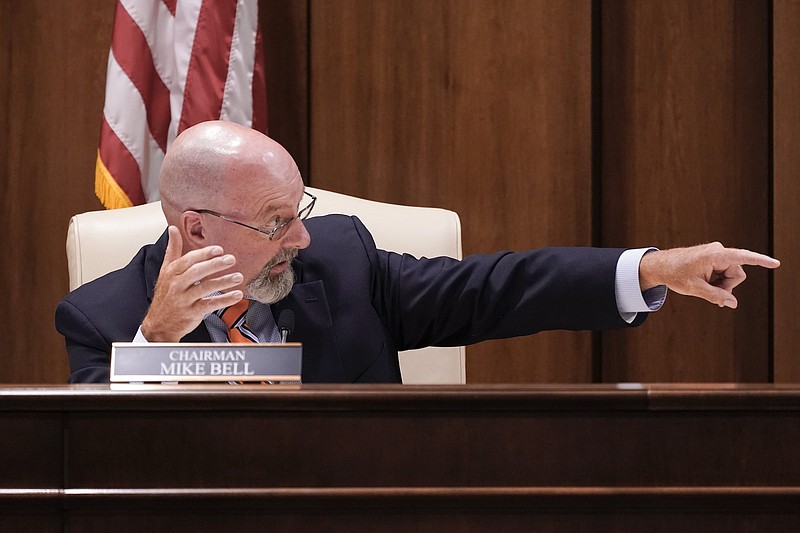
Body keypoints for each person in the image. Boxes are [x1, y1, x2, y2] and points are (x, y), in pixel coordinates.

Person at [55, 120, 780, 383]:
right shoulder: (104, 317)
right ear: (198, 231)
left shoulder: (342, 263)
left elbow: (493, 288)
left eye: (299, 211)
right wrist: (154, 346)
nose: (301, 237)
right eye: (277, 221)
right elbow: (89, 466)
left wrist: (651, 268)